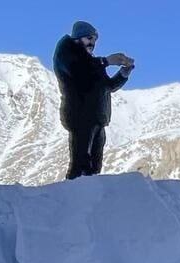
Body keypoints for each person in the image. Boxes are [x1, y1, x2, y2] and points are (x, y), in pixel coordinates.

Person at [53, 21, 134, 180]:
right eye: (89, 38)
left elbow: (107, 86)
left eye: (94, 40)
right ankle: (72, 195)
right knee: (80, 162)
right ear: (78, 37)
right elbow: (79, 69)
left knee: (94, 165)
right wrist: (106, 61)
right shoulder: (66, 52)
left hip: (97, 118)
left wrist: (124, 73)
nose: (92, 43)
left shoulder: (91, 63)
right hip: (80, 115)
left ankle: (92, 198)